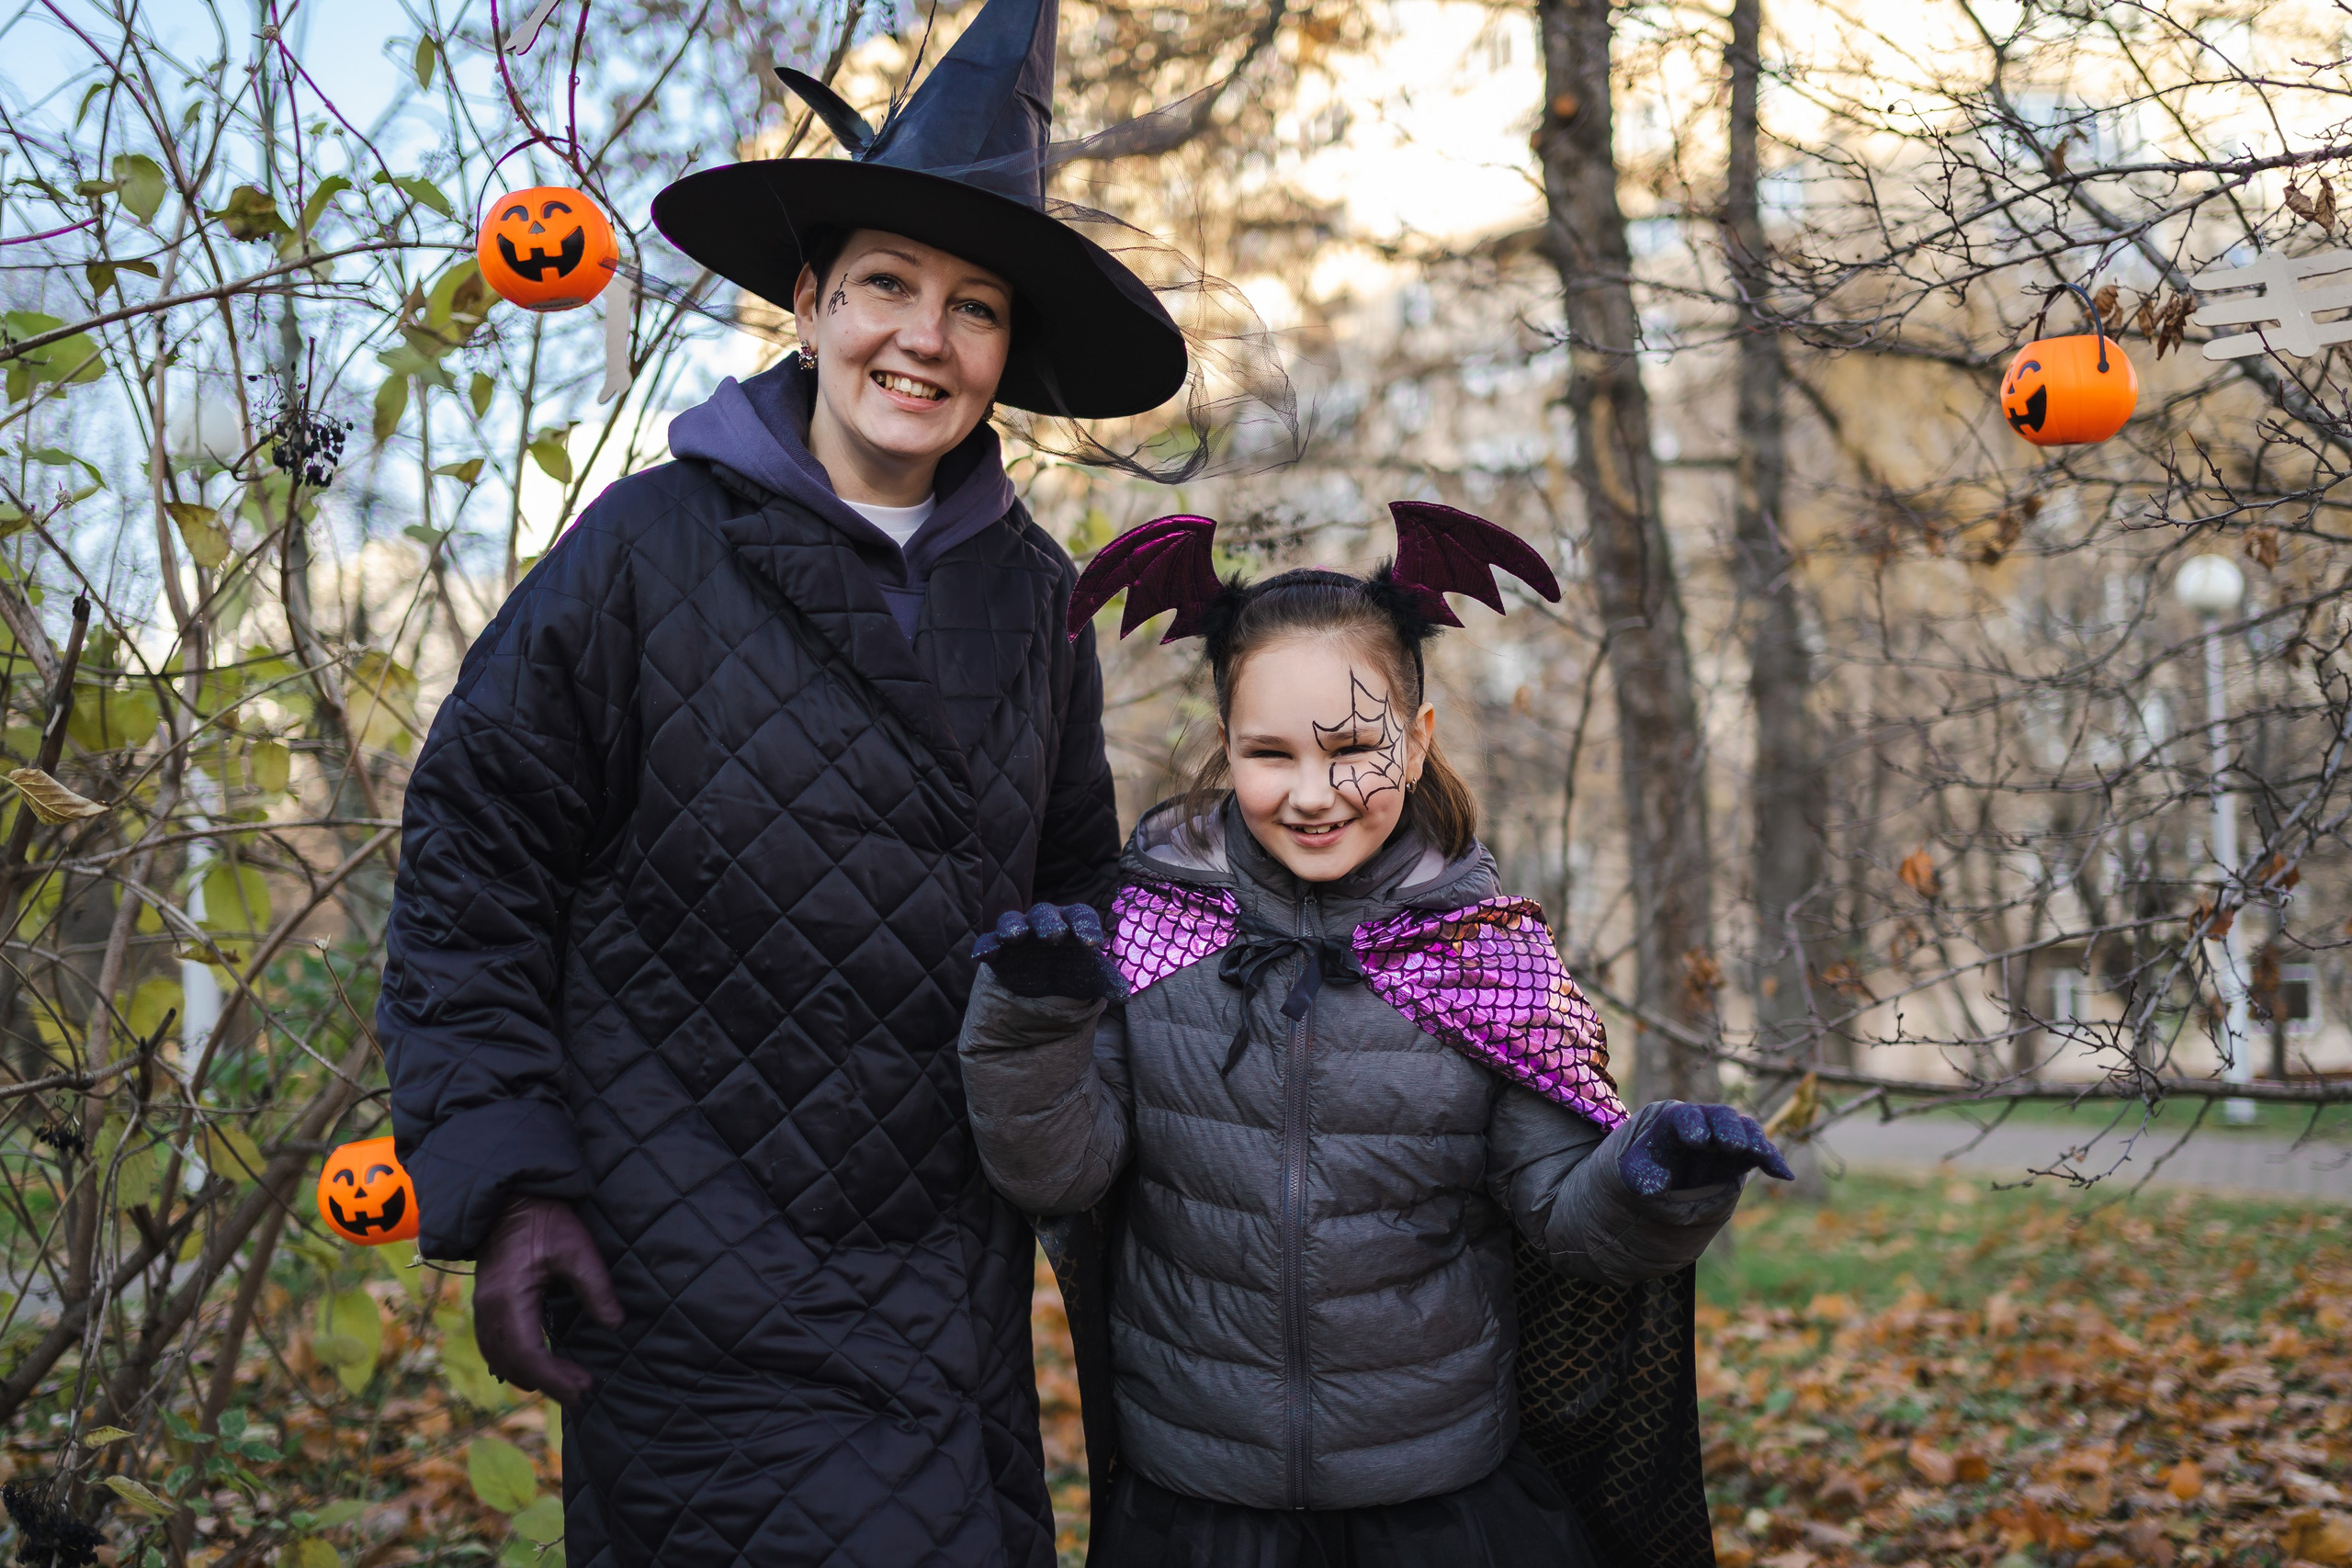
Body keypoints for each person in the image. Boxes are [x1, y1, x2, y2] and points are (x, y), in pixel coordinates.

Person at [376, 0, 1191, 1562]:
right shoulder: (642, 553)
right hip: (684, 1277)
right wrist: (510, 1183)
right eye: (885, 284)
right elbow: (473, 876)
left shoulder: (1036, 603)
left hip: (948, 1284)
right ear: (809, 307)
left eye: (973, 308)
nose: (923, 339)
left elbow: (1082, 898)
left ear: (1006, 352)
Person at [956, 504, 1792, 1566]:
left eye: (1354, 747)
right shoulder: (1150, 935)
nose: (1314, 794)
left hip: (1435, 1503)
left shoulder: (1484, 958)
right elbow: (1059, 1175)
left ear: (1420, 737)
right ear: (1226, 745)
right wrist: (1033, 1015)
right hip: (1197, 1507)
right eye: (1269, 754)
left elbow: (1568, 1222)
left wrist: (1656, 1178)